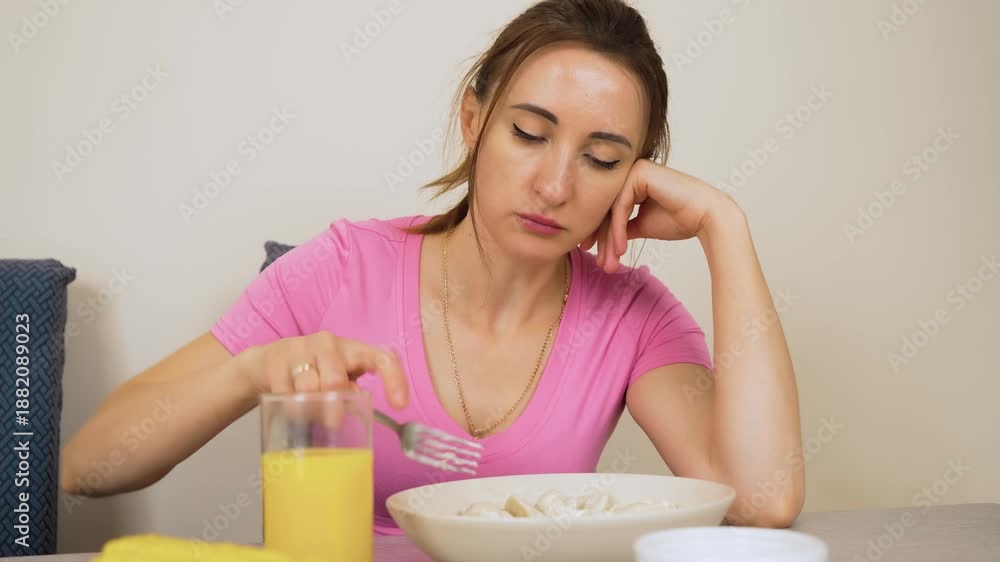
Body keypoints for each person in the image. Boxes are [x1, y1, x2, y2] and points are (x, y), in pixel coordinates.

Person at [60, 0, 804, 535]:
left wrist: (724, 228)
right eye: (529, 133)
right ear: (474, 122)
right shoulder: (345, 265)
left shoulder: (632, 315)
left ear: (633, 175)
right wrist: (251, 373)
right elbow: (87, 466)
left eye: (601, 159)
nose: (555, 186)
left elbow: (763, 501)